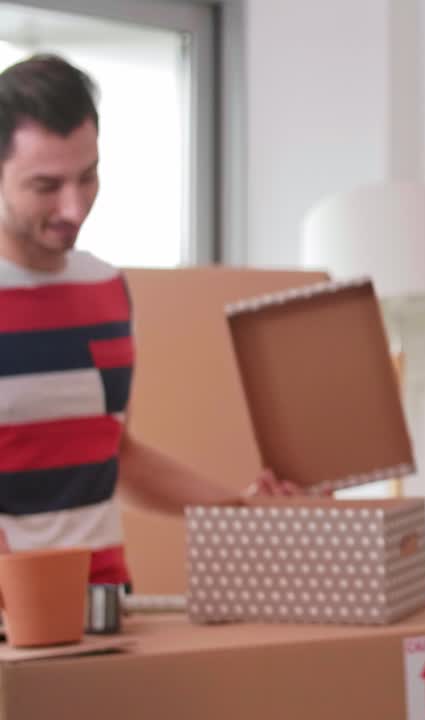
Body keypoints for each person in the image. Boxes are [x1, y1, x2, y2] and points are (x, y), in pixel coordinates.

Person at [0, 54, 294, 584]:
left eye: (87, 177)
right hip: (14, 613)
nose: (74, 208)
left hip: (107, 600)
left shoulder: (106, 289)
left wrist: (242, 511)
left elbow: (116, 455)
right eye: (46, 186)